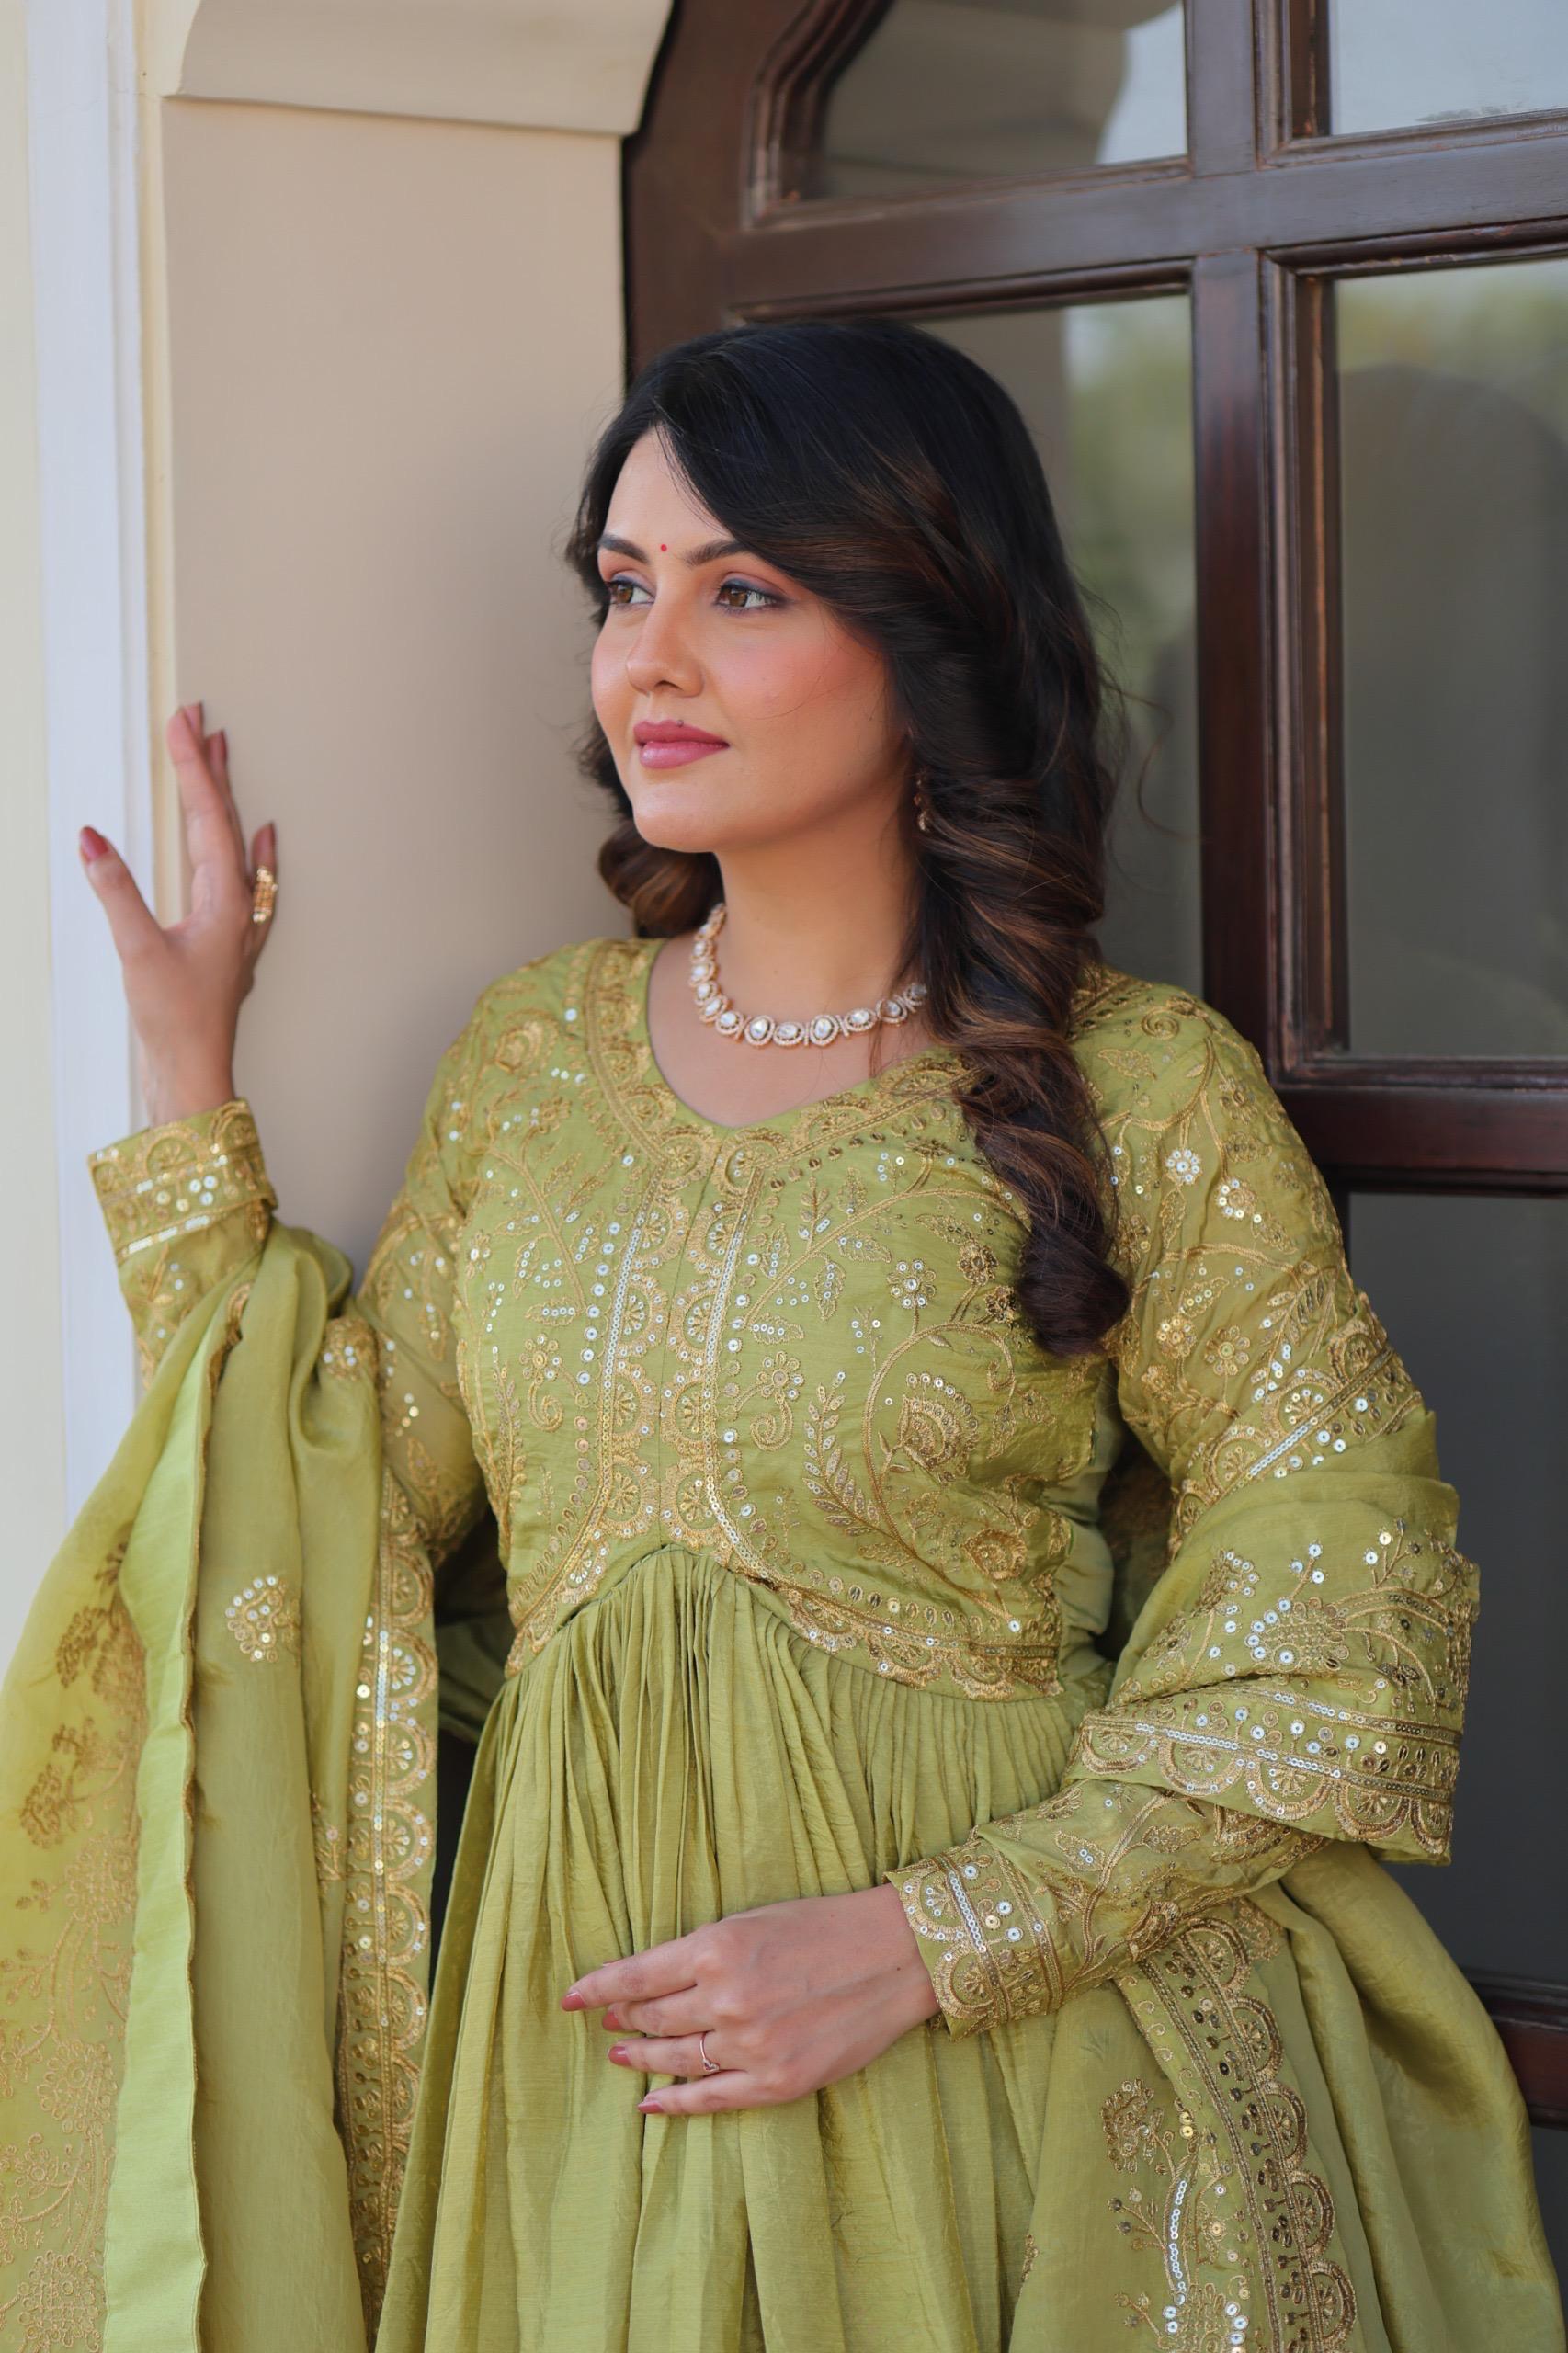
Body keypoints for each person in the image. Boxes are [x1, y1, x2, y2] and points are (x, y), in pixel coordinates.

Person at [3, 318, 1561, 2353]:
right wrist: (191, 1078)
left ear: (927, 629)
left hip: (995, 2101)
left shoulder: (1131, 1090)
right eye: (623, 588)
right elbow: (309, 1543)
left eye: (742, 591)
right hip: (577, 2112)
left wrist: (932, 1939)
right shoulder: (532, 1059)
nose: (649, 657)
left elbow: (1336, 1609)